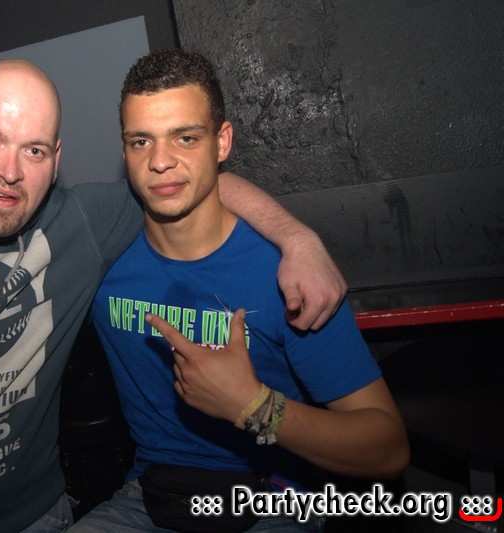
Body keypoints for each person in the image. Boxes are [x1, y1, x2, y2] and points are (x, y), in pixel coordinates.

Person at [0, 59, 347, 533]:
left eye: (33, 151)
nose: (8, 172)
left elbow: (190, 179)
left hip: (38, 516)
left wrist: (298, 239)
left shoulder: (80, 225)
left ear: (56, 160)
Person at [71, 49, 409, 532]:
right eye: (141, 141)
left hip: (277, 497)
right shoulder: (102, 260)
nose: (160, 161)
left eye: (186, 137)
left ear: (222, 141)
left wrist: (254, 407)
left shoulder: (288, 275)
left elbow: (388, 448)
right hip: (153, 497)